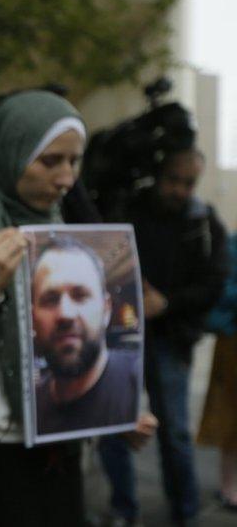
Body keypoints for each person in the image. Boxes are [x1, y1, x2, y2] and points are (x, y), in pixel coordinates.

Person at [0, 90, 91, 527]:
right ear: (11, 151)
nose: (66, 179)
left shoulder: (60, 227)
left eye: (74, 162)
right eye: (50, 161)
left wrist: (119, 405)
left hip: (60, 438)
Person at [98, 147, 228, 526]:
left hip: (171, 339)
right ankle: (124, 509)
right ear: (159, 174)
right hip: (121, 335)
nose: (180, 190)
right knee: (113, 426)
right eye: (174, 180)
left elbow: (214, 281)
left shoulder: (203, 221)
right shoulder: (130, 209)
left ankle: (183, 511)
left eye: (189, 183)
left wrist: (167, 303)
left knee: (175, 433)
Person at [31, 235, 139, 436]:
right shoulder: (33, 405)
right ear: (32, 317)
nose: (65, 314)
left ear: (106, 309)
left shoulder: (134, 381)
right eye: (50, 299)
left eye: (80, 295)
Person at [197, 231, 237, 512]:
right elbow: (223, 288)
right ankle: (229, 485)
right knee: (230, 414)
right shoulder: (232, 246)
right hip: (233, 340)